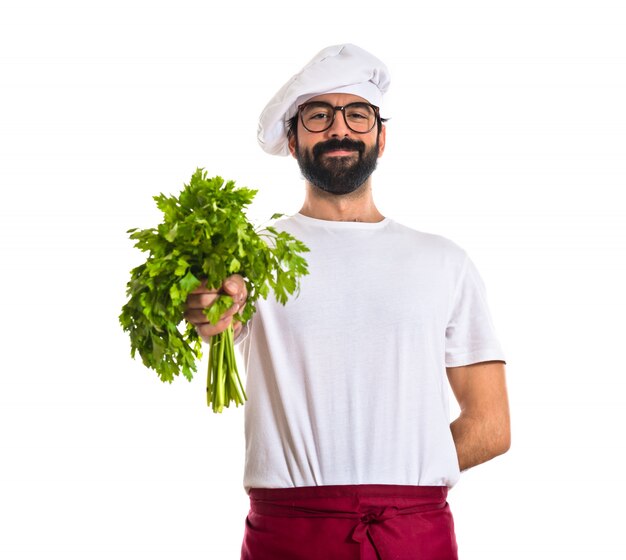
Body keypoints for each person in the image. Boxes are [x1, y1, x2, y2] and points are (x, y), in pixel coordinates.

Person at [185, 44, 510, 560]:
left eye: (356, 114)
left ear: (381, 136)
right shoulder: (249, 256)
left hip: (413, 533)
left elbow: (490, 427)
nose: (339, 129)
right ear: (292, 142)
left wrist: (404, 474)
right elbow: (212, 317)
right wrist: (209, 308)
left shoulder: (444, 261)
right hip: (289, 536)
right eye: (318, 116)